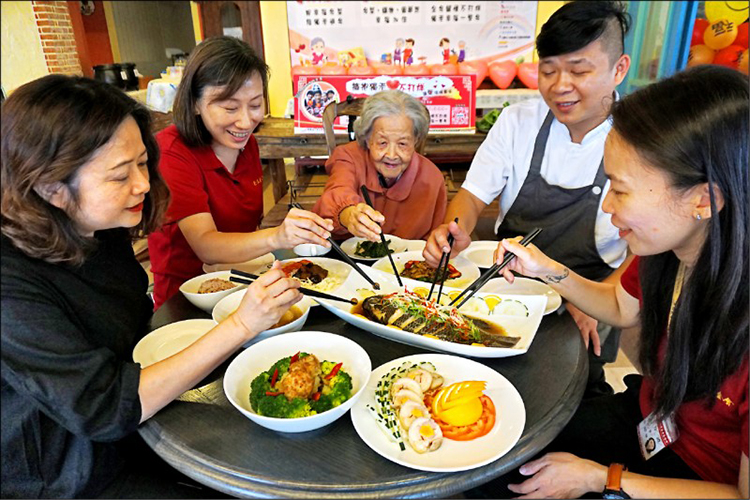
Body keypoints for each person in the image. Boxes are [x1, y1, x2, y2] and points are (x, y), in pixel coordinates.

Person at [1, 75, 303, 498]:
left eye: (143, 163)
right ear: (52, 188)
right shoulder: (11, 285)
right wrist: (240, 325)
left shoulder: (99, 229)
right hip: (71, 471)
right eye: (119, 175)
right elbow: (103, 407)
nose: (143, 184)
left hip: (143, 423)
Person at [492, 65, 748, 498]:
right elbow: (620, 304)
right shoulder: (668, 251)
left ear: (704, 199)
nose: (608, 204)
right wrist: (545, 270)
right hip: (649, 420)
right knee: (502, 458)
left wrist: (600, 479)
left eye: (620, 189)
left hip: (697, 480)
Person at [424, 1, 633, 397]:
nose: (559, 86)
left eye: (579, 70)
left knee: (570, 392)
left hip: (593, 292)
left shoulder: (640, 136)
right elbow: (471, 196)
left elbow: (646, 249)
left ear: (618, 69)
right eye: (549, 70)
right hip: (509, 282)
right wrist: (453, 230)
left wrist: (593, 301)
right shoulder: (518, 122)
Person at [147, 36, 333, 309]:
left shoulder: (248, 145)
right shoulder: (172, 151)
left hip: (244, 288)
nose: (246, 121)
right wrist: (278, 236)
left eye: (256, 105)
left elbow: (247, 229)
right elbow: (205, 245)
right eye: (230, 108)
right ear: (195, 103)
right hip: (187, 300)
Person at [312, 89, 446, 241]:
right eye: (382, 143)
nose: (391, 155)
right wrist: (350, 215)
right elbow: (338, 191)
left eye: (402, 144)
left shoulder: (432, 179)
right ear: (367, 137)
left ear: (416, 140)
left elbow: (436, 240)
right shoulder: (348, 157)